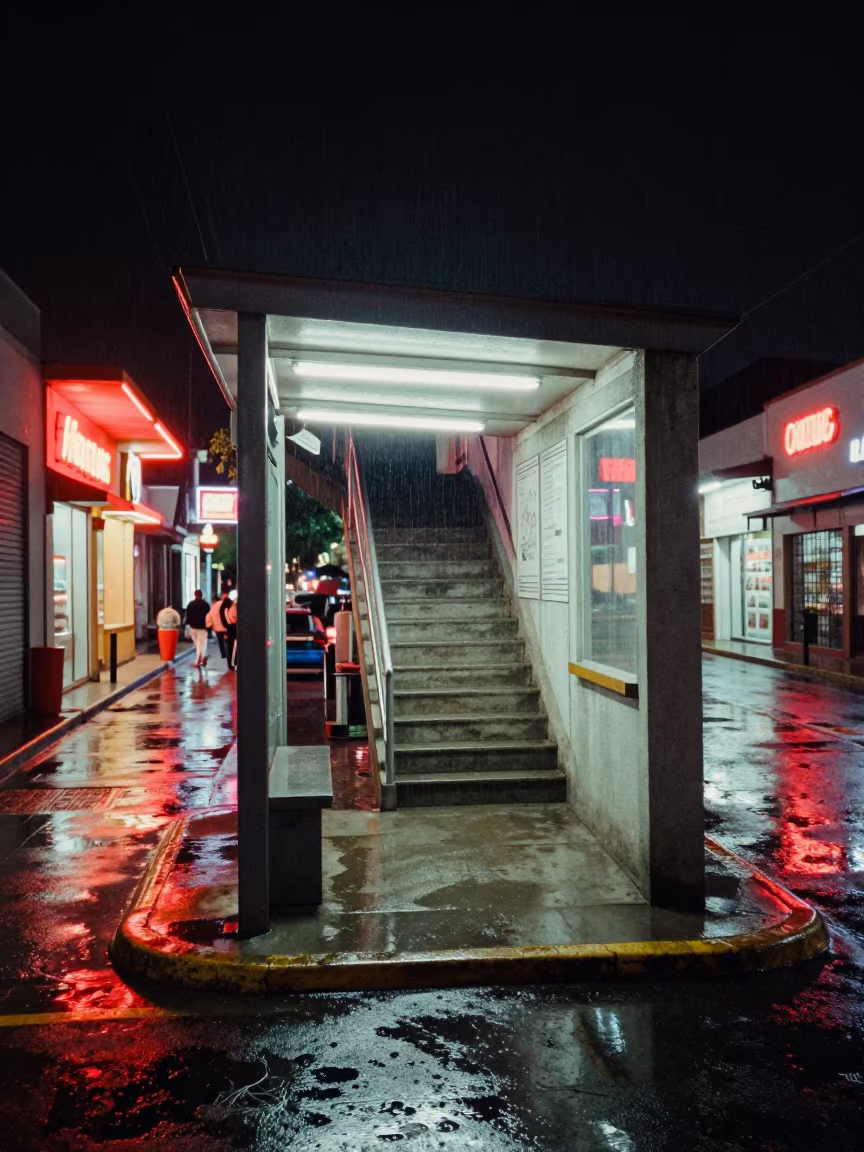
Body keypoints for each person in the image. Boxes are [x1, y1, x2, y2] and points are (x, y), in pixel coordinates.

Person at [184, 589, 211, 668]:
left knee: (197, 644)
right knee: (203, 643)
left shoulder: (190, 604)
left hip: (193, 627)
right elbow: (209, 616)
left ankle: (199, 658)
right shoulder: (206, 605)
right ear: (201, 595)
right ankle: (202, 657)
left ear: (195, 595)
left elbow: (187, 616)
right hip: (203, 627)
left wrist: (188, 625)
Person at [211, 590, 231, 660]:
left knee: (220, 642)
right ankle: (228, 654)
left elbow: (210, 617)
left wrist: (211, 625)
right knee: (227, 641)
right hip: (226, 627)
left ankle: (223, 654)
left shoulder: (213, 606)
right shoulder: (226, 604)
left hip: (217, 628)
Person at [224, 596, 238, 671]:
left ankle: (230, 664)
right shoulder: (234, 607)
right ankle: (233, 663)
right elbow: (235, 618)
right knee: (234, 648)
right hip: (234, 628)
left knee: (230, 647)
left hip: (229, 628)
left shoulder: (226, 609)